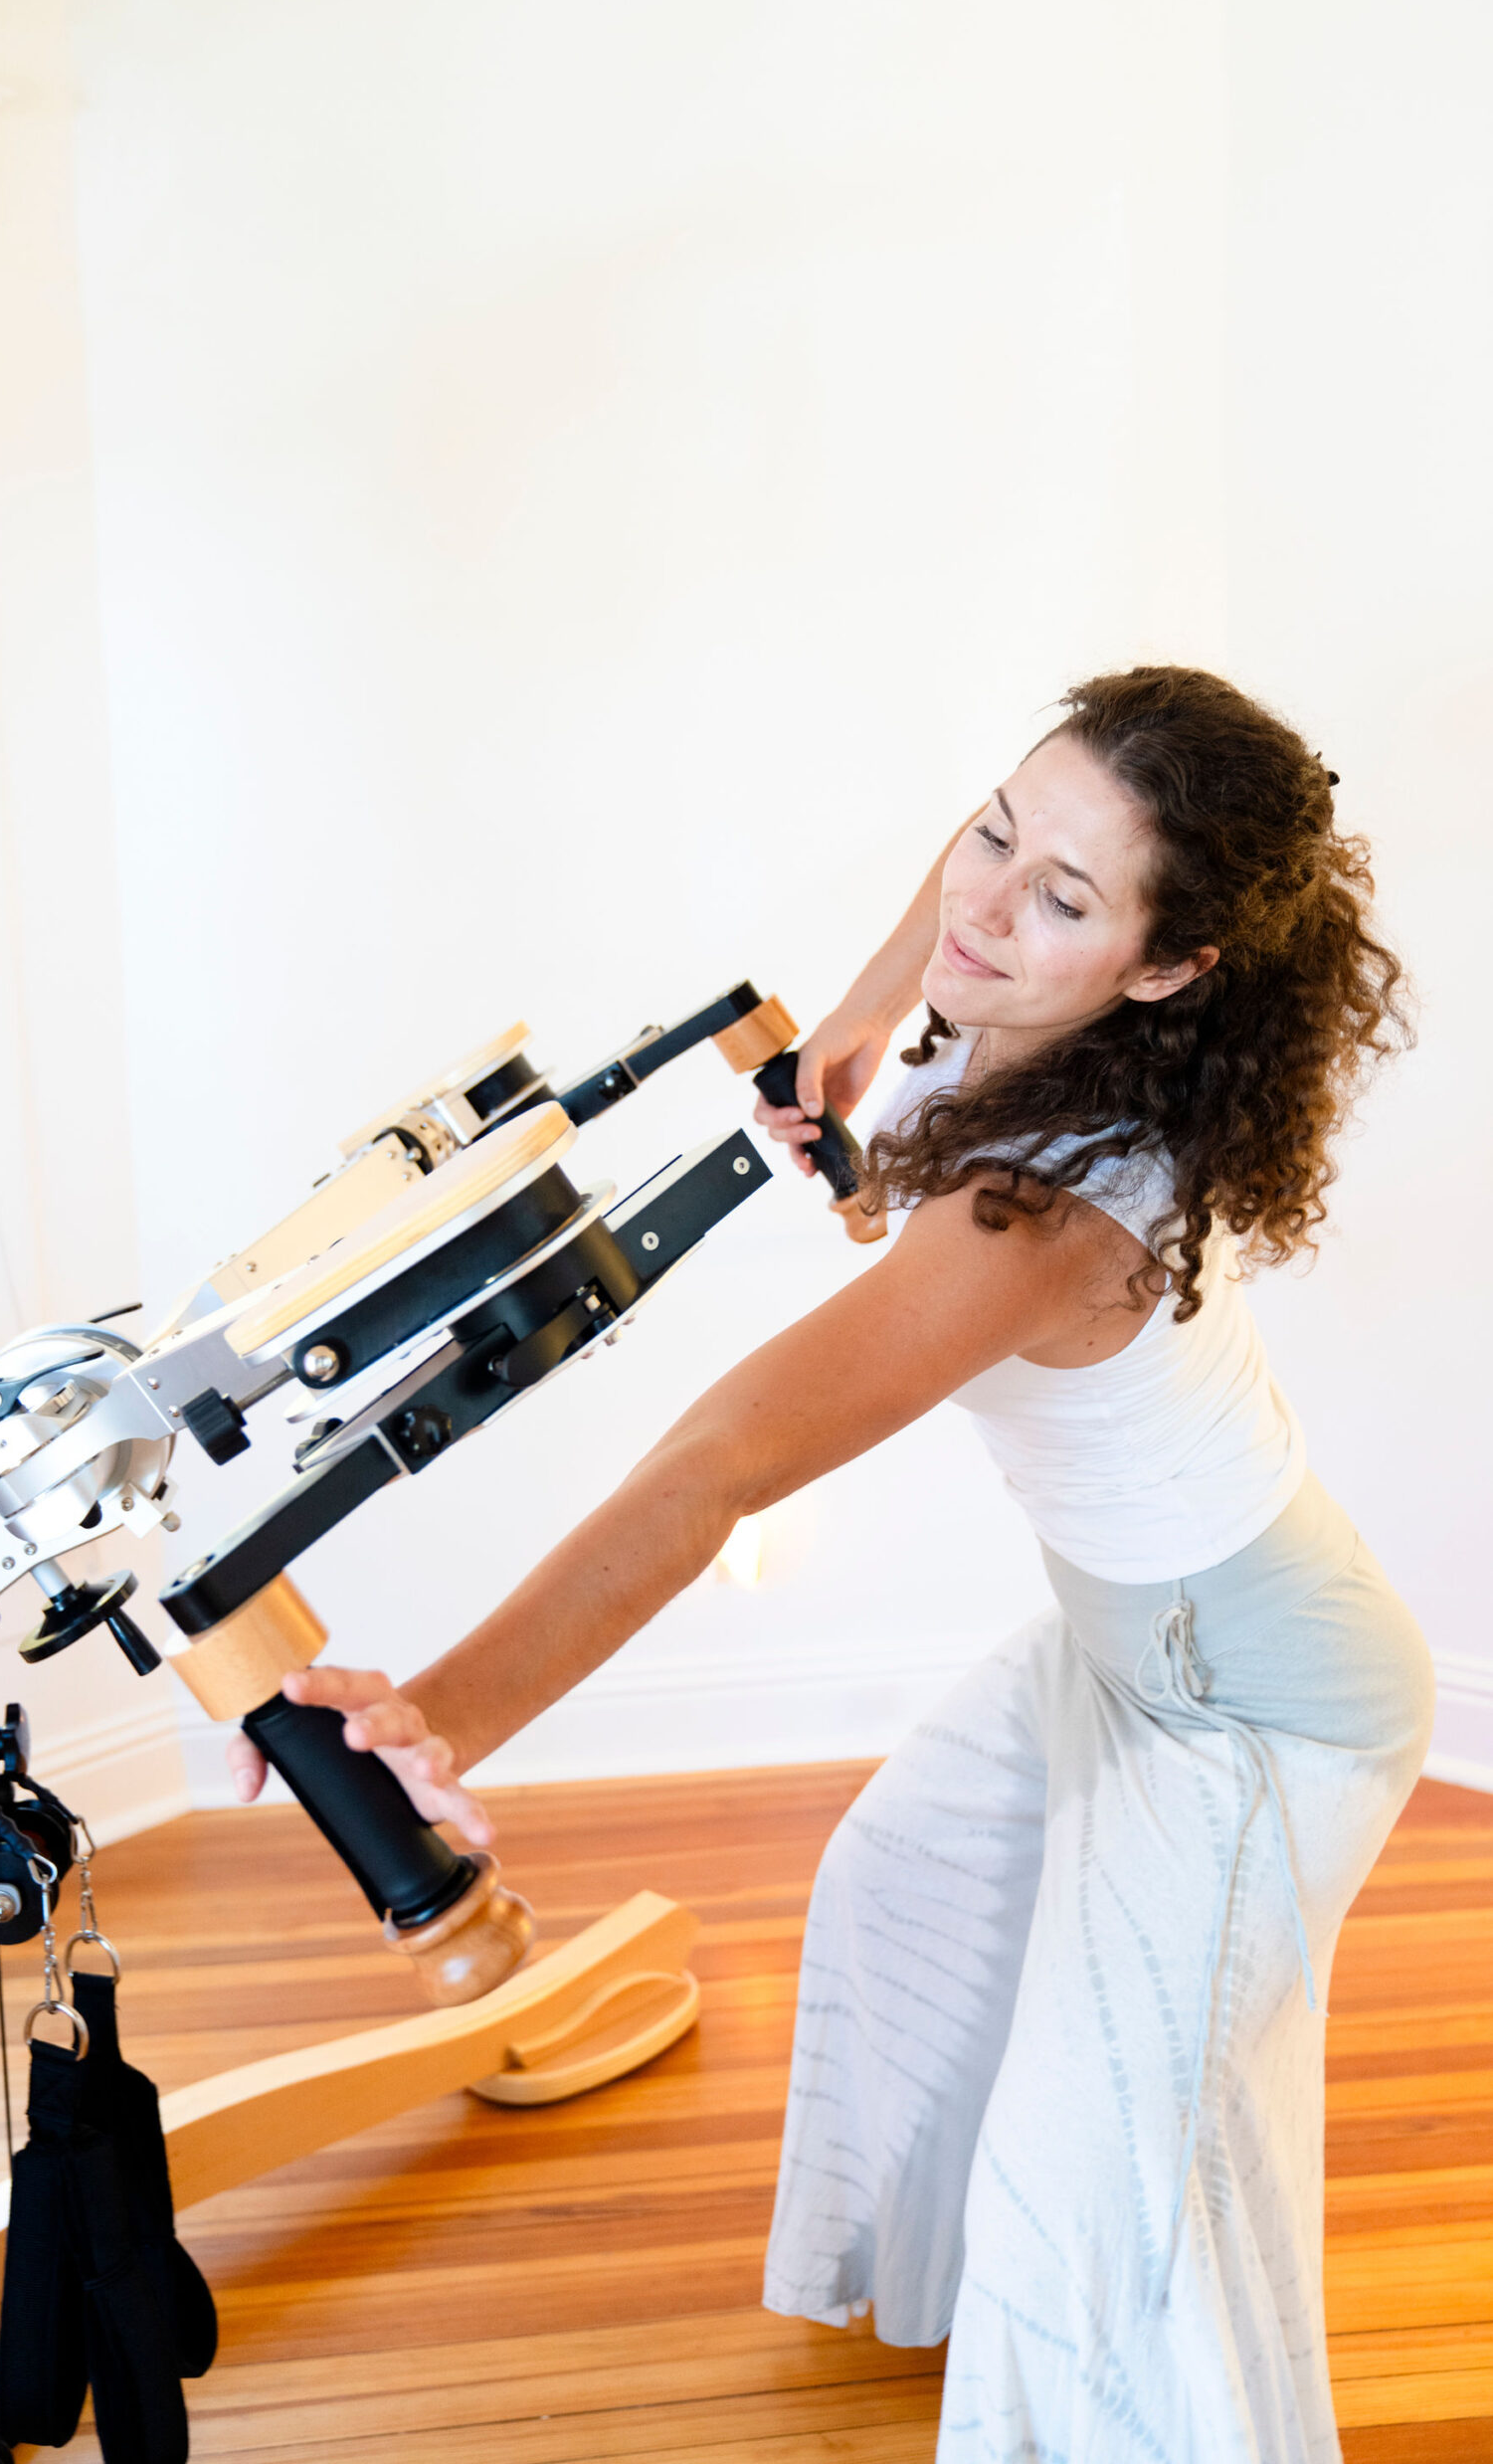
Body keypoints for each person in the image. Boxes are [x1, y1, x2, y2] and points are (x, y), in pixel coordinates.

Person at [229, 663, 1431, 2461]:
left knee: (1097, 2190)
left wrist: (438, 1717)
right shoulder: (1021, 1000)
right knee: (904, 1883)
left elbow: (722, 1463)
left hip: (1256, 1707)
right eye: (998, 832)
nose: (987, 906)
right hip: (1121, 1641)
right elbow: (982, 889)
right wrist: (864, 1024)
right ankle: (967, 2323)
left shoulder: (1057, 1210)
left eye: (1064, 900)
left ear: (1166, 968)